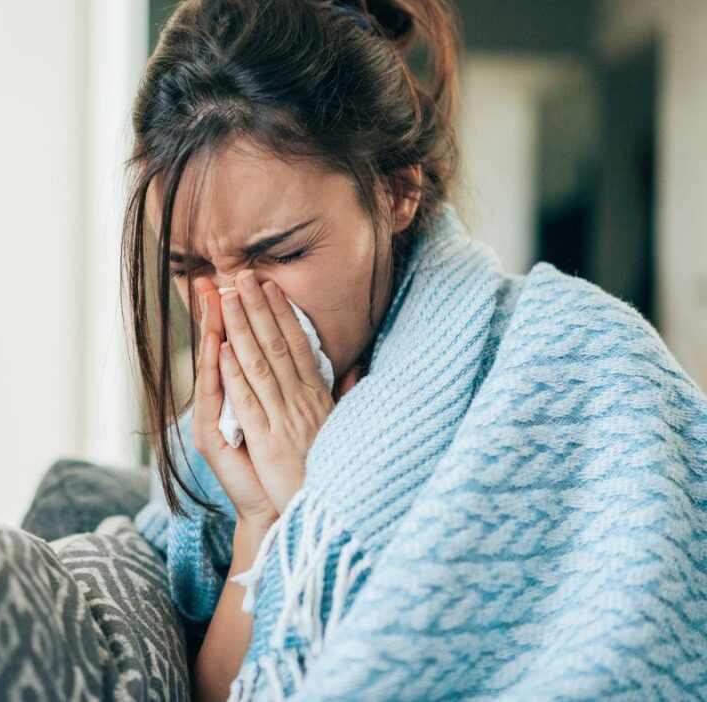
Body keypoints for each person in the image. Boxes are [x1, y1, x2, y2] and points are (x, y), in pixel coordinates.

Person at [125, 0, 707, 700]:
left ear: (399, 189)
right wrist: (264, 521)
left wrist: (329, 495)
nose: (232, 309)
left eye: (278, 254)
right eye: (191, 270)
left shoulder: (581, 362)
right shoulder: (206, 453)